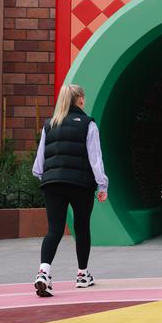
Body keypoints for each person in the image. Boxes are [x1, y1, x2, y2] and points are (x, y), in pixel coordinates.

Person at [31, 84, 109, 297]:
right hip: (80, 184)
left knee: (54, 229)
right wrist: (102, 184)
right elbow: (95, 159)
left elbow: (38, 166)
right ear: (81, 99)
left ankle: (43, 272)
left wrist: (50, 177)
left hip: (52, 184)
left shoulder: (49, 125)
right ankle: (82, 275)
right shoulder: (88, 125)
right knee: (82, 227)